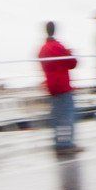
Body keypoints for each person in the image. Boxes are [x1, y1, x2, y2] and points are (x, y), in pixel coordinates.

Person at [38, 21, 79, 154]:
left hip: (51, 88)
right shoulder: (58, 46)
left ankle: (58, 143)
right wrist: (70, 53)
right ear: (54, 30)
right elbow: (73, 63)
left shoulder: (42, 50)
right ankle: (66, 144)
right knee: (67, 116)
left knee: (57, 117)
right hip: (63, 86)